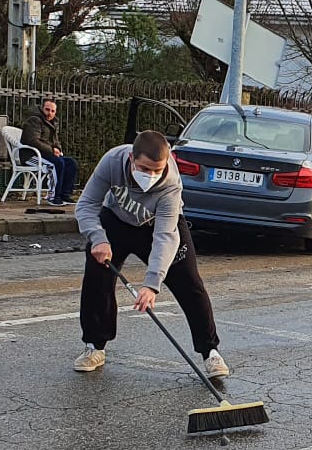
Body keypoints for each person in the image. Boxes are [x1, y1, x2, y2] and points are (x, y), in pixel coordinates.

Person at [72, 130, 227, 378]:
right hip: (116, 222)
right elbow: (86, 204)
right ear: (132, 158)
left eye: (157, 170)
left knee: (190, 283)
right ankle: (95, 346)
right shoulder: (113, 161)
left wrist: (152, 284)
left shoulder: (171, 184)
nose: (151, 176)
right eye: (145, 169)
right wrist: (98, 238)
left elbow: (165, 236)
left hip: (157, 224)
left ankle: (211, 352)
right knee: (96, 280)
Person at [24, 97, 79, 206]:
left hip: (46, 154)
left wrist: (58, 149)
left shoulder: (54, 123)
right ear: (42, 109)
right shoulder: (34, 120)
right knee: (57, 164)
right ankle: (53, 197)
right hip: (31, 156)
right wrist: (51, 150)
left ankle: (65, 195)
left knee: (71, 163)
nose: (50, 113)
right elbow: (33, 141)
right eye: (47, 110)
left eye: (52, 111)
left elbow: (56, 140)